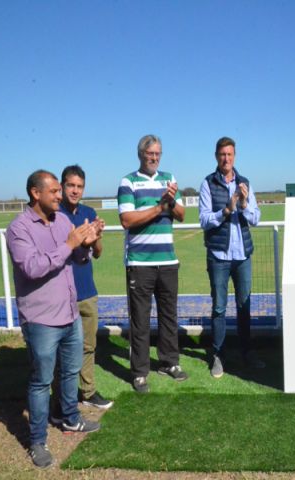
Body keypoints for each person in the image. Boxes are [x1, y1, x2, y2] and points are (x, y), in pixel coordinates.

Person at [6, 170, 102, 468]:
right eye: (55, 192)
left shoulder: (62, 221)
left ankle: (71, 418)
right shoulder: (18, 228)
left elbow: (77, 260)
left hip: (69, 312)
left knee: (70, 371)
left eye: (61, 191)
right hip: (41, 319)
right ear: (36, 193)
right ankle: (37, 441)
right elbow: (33, 268)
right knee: (41, 381)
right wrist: (71, 244)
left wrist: (87, 243)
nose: (61, 196)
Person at [118, 134, 188, 393]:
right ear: (141, 154)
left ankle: (169, 362)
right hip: (140, 262)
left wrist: (170, 202)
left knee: (169, 316)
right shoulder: (128, 182)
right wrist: (159, 208)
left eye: (158, 154)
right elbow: (127, 219)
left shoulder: (169, 179)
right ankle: (139, 372)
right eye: (150, 154)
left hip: (168, 261)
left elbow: (181, 215)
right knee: (140, 320)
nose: (154, 158)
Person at [199, 136, 263, 378]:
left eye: (230, 154)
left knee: (244, 306)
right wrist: (227, 209)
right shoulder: (208, 184)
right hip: (219, 256)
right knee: (218, 308)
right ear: (217, 156)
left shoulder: (245, 182)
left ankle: (247, 352)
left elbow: (256, 219)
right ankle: (218, 355)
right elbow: (204, 220)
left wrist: (244, 203)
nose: (226, 158)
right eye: (222, 154)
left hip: (242, 256)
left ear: (235, 156)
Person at [58, 165, 113, 409]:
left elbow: (98, 253)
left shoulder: (89, 212)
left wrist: (96, 237)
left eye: (79, 186)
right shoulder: (54, 215)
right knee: (61, 349)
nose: (75, 190)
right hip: (60, 294)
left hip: (87, 290)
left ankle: (88, 393)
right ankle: (61, 397)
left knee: (89, 346)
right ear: (62, 186)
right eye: (71, 185)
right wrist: (77, 241)